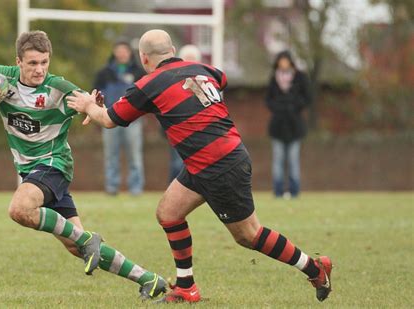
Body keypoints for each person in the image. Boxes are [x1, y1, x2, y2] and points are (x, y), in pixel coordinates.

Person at [67, 29, 333, 303]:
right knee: (169, 213)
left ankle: (315, 269)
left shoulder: (149, 84)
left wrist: (88, 104)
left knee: (248, 235)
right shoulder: (205, 69)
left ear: (144, 58)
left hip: (218, 164)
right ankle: (186, 288)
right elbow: (221, 79)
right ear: (172, 51)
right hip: (209, 160)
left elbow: (110, 120)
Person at [0, 30, 166, 299]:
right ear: (18, 62)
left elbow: (91, 104)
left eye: (44, 62)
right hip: (30, 171)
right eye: (33, 63)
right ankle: (150, 280)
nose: (40, 69)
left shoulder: (59, 87)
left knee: (20, 209)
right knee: (76, 246)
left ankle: (87, 239)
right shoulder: (2, 77)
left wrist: (92, 107)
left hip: (54, 164)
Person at [94, 41, 145, 195]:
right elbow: (95, 94)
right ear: (114, 53)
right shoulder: (104, 73)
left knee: (135, 155)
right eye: (119, 50)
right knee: (111, 155)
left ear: (130, 52)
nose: (122, 53)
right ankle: (111, 187)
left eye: (125, 50)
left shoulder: (139, 72)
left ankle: (136, 188)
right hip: (109, 118)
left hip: (133, 121)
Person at [265, 50, 311, 198]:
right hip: (277, 127)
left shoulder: (300, 78)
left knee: (293, 160)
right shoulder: (273, 79)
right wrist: (279, 108)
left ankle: (294, 191)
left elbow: (307, 98)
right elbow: (268, 100)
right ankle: (278, 191)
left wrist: (293, 107)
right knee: (277, 160)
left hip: (294, 126)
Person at [164, 44, 203, 182]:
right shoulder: (172, 78)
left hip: (198, 129)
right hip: (177, 128)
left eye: (192, 59)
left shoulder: (204, 80)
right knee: (177, 163)